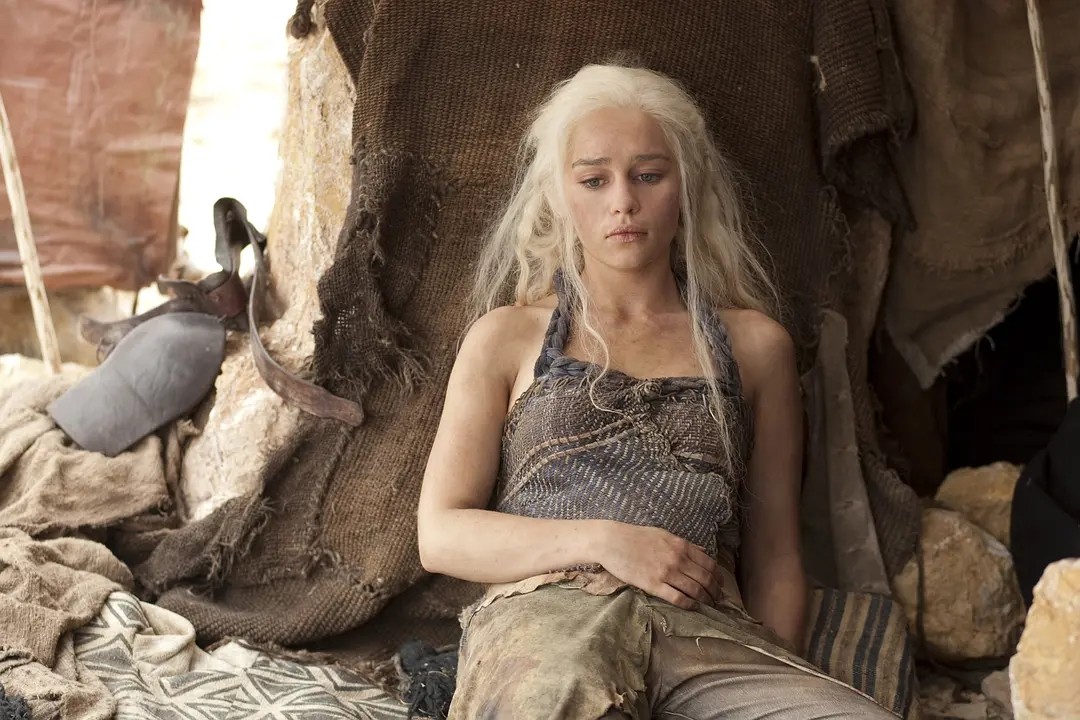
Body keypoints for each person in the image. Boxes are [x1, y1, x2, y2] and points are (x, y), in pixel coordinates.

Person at [417, 63, 896, 719]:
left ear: (687, 186)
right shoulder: (506, 337)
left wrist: (773, 662)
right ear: (558, 195)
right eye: (594, 179)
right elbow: (441, 533)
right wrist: (604, 542)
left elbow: (775, 555)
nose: (623, 201)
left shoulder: (758, 347)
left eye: (648, 175)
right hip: (549, 624)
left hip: (706, 630)